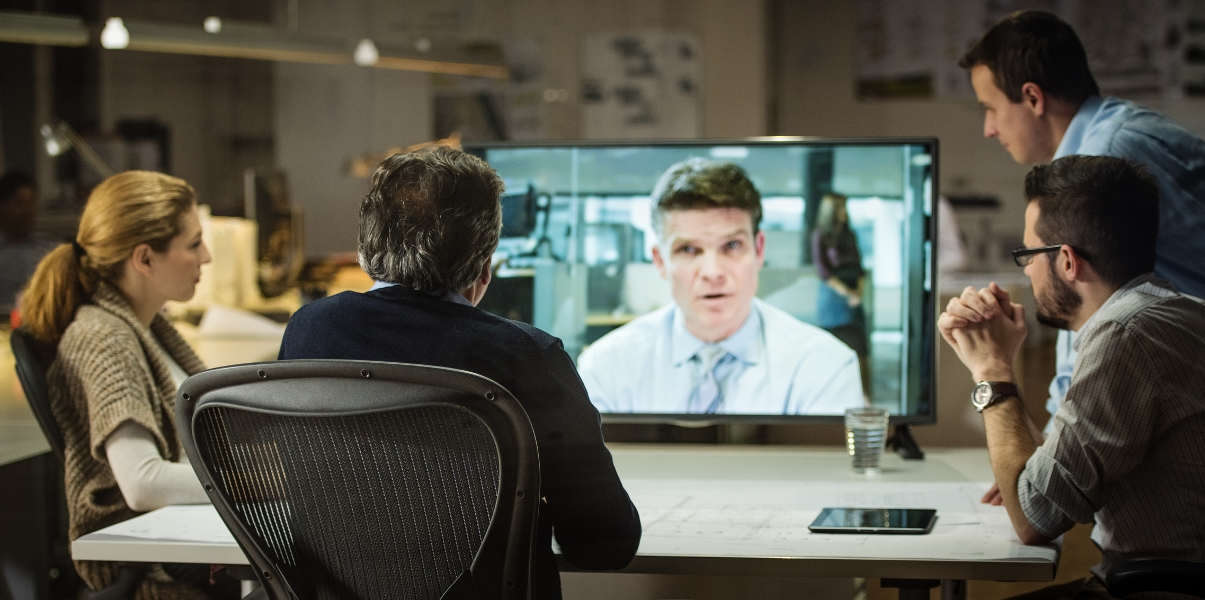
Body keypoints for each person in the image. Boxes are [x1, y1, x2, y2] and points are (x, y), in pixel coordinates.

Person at [277, 147, 641, 600]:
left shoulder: (308, 333)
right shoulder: (526, 355)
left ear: (364, 247)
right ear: (485, 263)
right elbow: (605, 544)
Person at [938, 156, 1205, 597]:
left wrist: (991, 371)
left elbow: (1034, 518)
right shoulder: (1165, 313)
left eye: (1028, 254)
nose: (1025, 270)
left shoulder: (1125, 335)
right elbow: (1047, 479)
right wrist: (1001, 364)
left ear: (1066, 261)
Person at [959, 9, 1205, 436]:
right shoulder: (1122, 129)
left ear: (1033, 98)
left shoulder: (1102, 159)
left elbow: (1088, 305)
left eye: (991, 109)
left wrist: (1054, 451)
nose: (988, 129)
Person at [20, 171, 232, 598]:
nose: (206, 257)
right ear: (144, 259)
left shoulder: (148, 326)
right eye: (193, 244)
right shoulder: (103, 338)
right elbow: (143, 482)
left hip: (183, 547)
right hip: (156, 578)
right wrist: (254, 481)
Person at [577, 158, 863, 415]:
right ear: (660, 261)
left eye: (732, 246)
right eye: (689, 249)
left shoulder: (824, 366)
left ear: (759, 249)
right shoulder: (607, 368)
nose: (713, 273)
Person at [811, 193, 869, 389]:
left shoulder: (850, 234)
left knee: (860, 351)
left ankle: (862, 395)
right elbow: (824, 273)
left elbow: (860, 268)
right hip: (834, 300)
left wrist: (857, 293)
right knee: (833, 353)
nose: (844, 212)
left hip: (853, 301)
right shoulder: (821, 236)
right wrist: (848, 293)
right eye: (841, 208)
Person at [0, 171, 58, 315]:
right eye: (19, 204)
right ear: (2, 206)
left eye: (31, 204)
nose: (27, 211)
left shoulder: (51, 251)